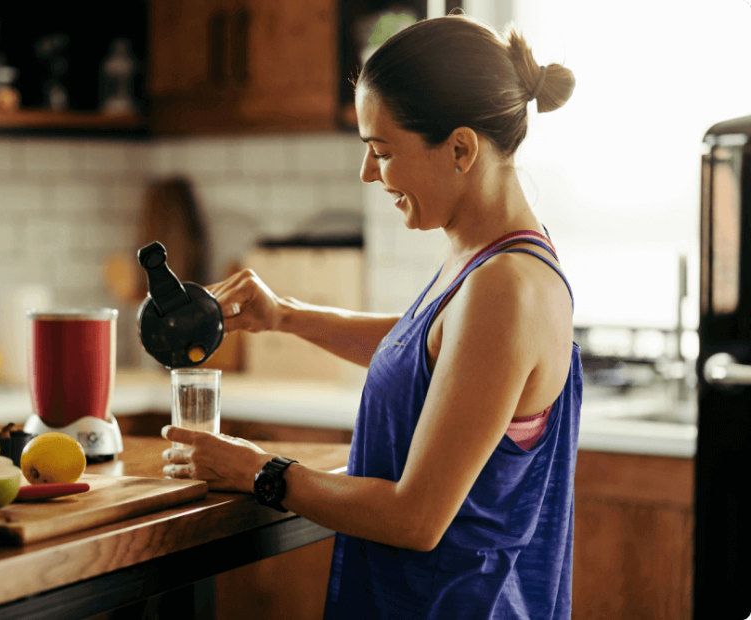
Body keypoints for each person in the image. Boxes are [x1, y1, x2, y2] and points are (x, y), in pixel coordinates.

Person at [161, 13, 579, 619]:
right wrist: (287, 316)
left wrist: (259, 470)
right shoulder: (487, 258)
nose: (368, 173)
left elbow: (416, 518)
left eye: (381, 152)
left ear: (461, 148)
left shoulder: (506, 288)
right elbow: (435, 354)